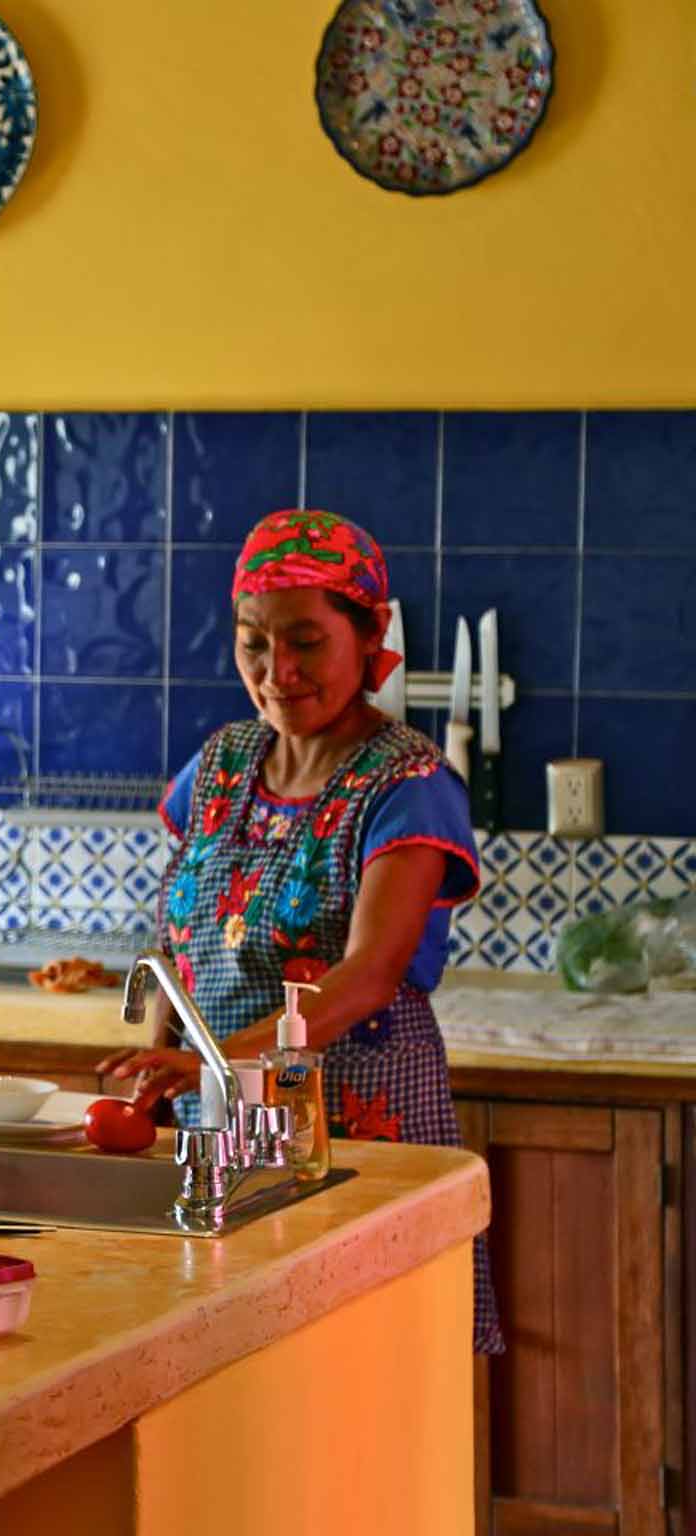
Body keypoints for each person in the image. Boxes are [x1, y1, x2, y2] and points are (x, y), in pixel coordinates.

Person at [98, 509, 502, 1355]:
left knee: (369, 1371)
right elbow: (184, 945)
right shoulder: (221, 764)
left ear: (370, 635)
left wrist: (211, 1061)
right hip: (222, 1130)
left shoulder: (408, 782)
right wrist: (160, 1073)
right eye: (253, 643)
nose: (277, 672)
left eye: (306, 643)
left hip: (359, 1133)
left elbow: (367, 977)